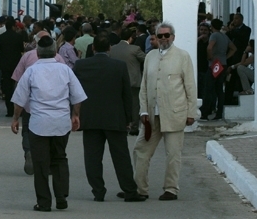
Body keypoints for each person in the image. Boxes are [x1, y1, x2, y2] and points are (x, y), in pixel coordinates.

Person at [11, 36, 87, 212]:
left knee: (40, 163)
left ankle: (44, 202)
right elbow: (77, 96)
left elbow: (19, 99)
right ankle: (61, 197)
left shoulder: (31, 71)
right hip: (61, 122)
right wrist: (75, 115)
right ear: (55, 52)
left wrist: (16, 118)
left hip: (38, 124)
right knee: (60, 158)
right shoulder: (65, 70)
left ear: (37, 53)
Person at [73, 34, 146, 202]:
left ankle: (98, 191)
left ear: (92, 48)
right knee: (121, 156)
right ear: (109, 48)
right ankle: (129, 190)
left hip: (90, 118)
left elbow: (74, 91)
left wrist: (75, 114)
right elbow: (126, 94)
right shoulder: (119, 66)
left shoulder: (81, 65)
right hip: (115, 118)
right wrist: (129, 118)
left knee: (92, 157)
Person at [132, 22, 197, 201]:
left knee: (173, 154)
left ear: (172, 37)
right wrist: (143, 112)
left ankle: (171, 189)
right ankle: (140, 188)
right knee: (140, 150)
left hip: (174, 113)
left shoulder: (182, 56)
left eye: (166, 35)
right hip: (152, 116)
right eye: (159, 36)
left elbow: (190, 86)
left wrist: (192, 112)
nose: (163, 39)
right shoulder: (150, 57)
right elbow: (144, 87)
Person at [11, 30, 66, 175]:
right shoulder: (59, 59)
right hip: (55, 106)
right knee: (51, 135)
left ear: (36, 43)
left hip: (31, 104)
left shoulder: (27, 56)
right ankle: (48, 162)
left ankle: (29, 152)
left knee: (28, 131)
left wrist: (16, 113)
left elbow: (17, 80)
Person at [108, 28, 146, 135]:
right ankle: (134, 127)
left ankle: (121, 124)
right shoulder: (135, 49)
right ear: (131, 38)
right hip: (132, 81)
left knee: (118, 103)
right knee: (134, 104)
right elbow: (146, 59)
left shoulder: (112, 49)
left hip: (116, 81)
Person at [200, 19, 236, 120]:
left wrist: (210, 57)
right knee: (219, 89)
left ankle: (205, 113)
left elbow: (209, 48)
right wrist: (225, 57)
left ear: (212, 26)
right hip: (223, 64)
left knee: (208, 88)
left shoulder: (214, 35)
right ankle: (219, 113)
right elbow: (234, 48)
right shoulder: (225, 36)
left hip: (214, 64)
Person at [0, 17, 24, 117]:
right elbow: (21, 49)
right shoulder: (18, 37)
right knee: (18, 87)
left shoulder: (1, 37)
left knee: (7, 88)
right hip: (16, 65)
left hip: (5, 65)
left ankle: (10, 110)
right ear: (13, 26)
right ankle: (19, 109)